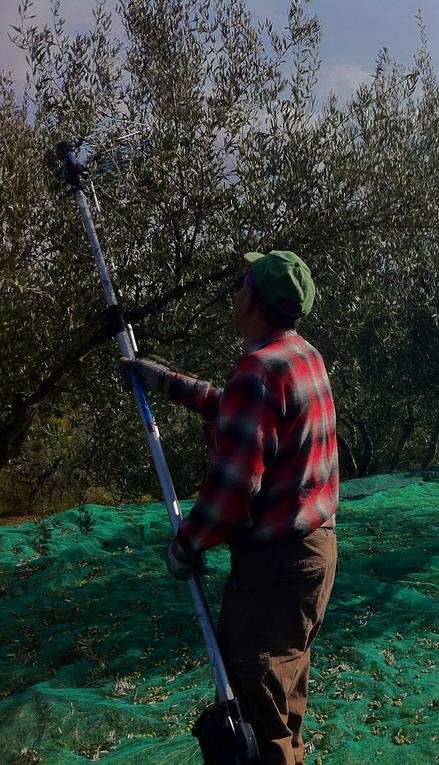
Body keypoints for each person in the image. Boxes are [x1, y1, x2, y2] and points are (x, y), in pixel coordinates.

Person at [122, 250, 339, 765]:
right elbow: (245, 410)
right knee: (282, 702)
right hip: (314, 556)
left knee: (261, 722)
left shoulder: (259, 371)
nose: (235, 291)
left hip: (274, 569)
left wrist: (186, 546)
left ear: (253, 301)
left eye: (242, 283)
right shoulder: (301, 355)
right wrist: (169, 382)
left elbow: (231, 494)